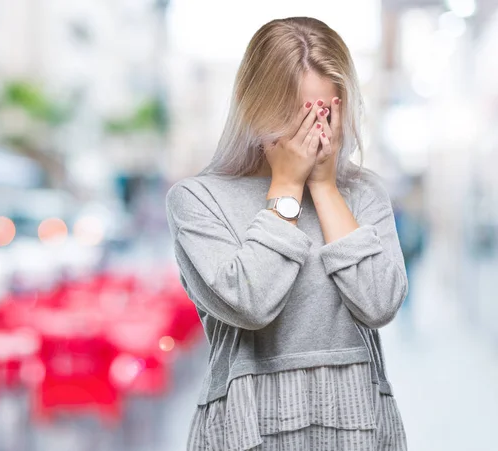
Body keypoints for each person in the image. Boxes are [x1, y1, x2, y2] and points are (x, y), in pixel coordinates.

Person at [165, 16, 409, 451]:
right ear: (255, 107)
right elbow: (252, 303)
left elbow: (380, 304)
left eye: (325, 114)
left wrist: (325, 186)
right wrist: (287, 188)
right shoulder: (197, 200)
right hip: (249, 424)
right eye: (295, 116)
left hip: (357, 419)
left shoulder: (363, 193)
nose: (313, 133)